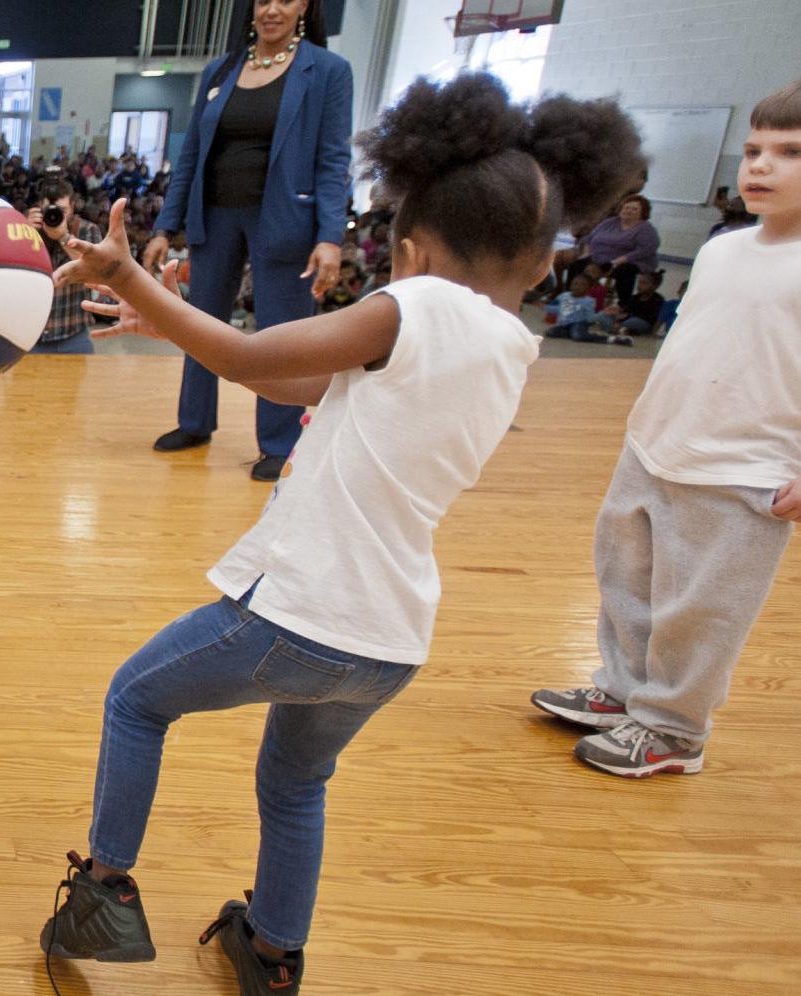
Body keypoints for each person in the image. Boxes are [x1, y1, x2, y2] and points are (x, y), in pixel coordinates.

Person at [37, 73, 643, 993]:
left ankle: (103, 896)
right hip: (387, 642)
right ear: (536, 263)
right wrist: (169, 329)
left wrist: (129, 278)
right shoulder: (506, 348)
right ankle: (272, 952)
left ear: (410, 248)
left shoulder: (419, 306)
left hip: (299, 614)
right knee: (292, 786)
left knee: (135, 700)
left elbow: (246, 353)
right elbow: (293, 383)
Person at [530, 80, 801, 778]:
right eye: (752, 150)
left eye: (788, 153)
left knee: (699, 609)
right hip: (655, 445)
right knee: (626, 578)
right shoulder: (722, 249)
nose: (759, 167)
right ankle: (623, 690)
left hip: (742, 468)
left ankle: (674, 728)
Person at [141, 0, 354, 482]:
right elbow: (191, 153)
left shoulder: (328, 71)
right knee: (198, 323)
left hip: (284, 218)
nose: (272, 9)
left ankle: (279, 443)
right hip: (213, 216)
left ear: (305, 7)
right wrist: (164, 227)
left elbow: (334, 159)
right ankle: (194, 423)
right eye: (262, 0)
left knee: (282, 336)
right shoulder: (221, 69)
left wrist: (330, 236)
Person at [25, 177, 103, 354]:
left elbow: (95, 271)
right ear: (39, 208)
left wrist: (64, 237)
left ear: (73, 207)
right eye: (49, 210)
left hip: (73, 332)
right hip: (31, 335)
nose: (55, 215)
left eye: (62, 210)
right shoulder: (25, 229)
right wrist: (24, 232)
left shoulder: (87, 230)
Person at [578, 194, 659, 306]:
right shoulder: (610, 222)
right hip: (600, 258)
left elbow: (645, 250)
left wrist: (619, 260)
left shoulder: (645, 228)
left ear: (643, 212)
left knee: (624, 271)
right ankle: (572, 297)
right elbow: (589, 237)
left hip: (632, 261)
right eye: (626, 208)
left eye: (634, 209)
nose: (628, 211)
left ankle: (623, 305)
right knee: (578, 264)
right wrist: (586, 254)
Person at [546, 272, 632, 345]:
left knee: (578, 336)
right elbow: (556, 309)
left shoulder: (588, 301)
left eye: (583, 285)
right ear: (571, 284)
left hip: (579, 323)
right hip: (564, 324)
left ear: (588, 288)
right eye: (575, 283)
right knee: (550, 332)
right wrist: (544, 306)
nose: (578, 286)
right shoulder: (564, 296)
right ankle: (575, 333)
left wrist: (602, 314)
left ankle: (610, 339)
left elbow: (590, 318)